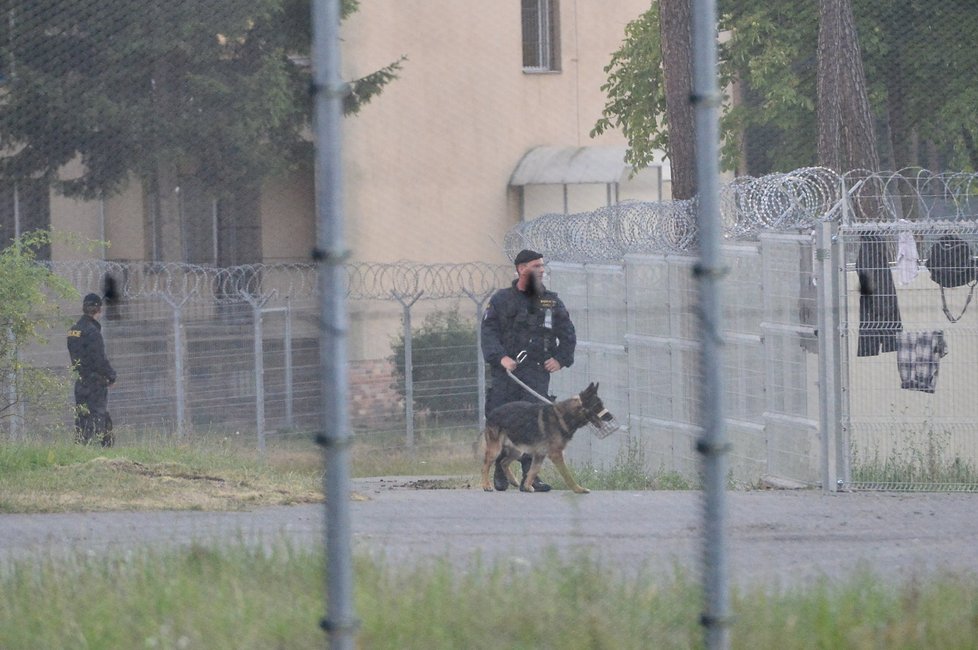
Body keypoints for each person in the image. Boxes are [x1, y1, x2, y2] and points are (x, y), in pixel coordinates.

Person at [481, 249, 576, 492]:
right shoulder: (501, 300)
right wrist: (500, 357)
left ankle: (530, 477)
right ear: (522, 269)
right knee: (501, 419)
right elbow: (488, 333)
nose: (542, 270)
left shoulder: (550, 301)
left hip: (535, 372)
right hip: (507, 373)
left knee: (535, 425)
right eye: (536, 265)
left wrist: (561, 359)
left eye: (543, 265)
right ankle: (500, 472)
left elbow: (567, 334)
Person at [67, 293, 117, 446]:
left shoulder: (73, 331)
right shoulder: (93, 332)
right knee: (98, 415)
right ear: (97, 310)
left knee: (82, 417)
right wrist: (111, 375)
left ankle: (81, 447)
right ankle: (104, 449)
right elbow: (98, 359)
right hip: (95, 382)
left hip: (81, 381)